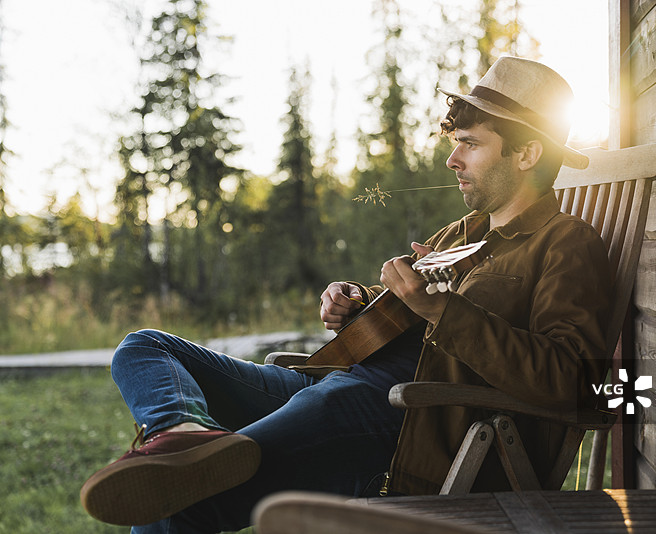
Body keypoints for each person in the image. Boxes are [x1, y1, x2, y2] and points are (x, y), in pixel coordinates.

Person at [80, 55, 612, 533]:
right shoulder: (462, 233)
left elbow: (573, 380)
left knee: (179, 502)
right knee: (146, 346)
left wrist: (441, 310)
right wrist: (358, 307)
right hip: (336, 382)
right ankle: (181, 433)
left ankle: (184, 460)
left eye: (469, 144)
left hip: (405, 416)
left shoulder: (567, 245)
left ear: (527, 154)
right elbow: (407, 320)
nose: (453, 160)